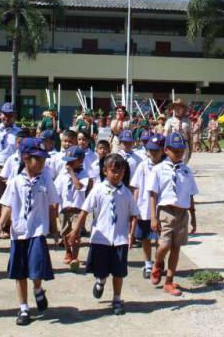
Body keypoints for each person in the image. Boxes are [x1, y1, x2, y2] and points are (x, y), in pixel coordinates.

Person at [0, 137, 61, 326]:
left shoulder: (46, 181)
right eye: (37, 159)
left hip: (37, 231)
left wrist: (54, 230)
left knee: (37, 269)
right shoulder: (15, 182)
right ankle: (23, 308)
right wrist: (0, 225)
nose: (41, 163)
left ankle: (37, 289)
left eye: (43, 159)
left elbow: (52, 206)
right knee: (20, 273)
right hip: (19, 232)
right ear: (25, 158)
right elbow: (8, 205)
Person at [69, 153, 140, 315]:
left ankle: (117, 298)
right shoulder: (98, 189)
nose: (117, 174)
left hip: (120, 239)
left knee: (118, 272)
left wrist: (131, 234)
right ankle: (100, 281)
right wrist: (75, 230)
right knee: (101, 269)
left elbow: (134, 214)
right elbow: (85, 210)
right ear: (105, 171)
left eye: (121, 171)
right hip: (101, 238)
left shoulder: (126, 193)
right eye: (114, 171)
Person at [149, 132, 199, 296]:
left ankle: (169, 281)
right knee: (164, 245)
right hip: (166, 211)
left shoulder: (186, 171)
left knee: (176, 248)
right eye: (175, 150)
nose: (179, 153)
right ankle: (158, 262)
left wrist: (193, 217)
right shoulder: (158, 169)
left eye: (181, 150)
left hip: (182, 213)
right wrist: (153, 217)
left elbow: (190, 195)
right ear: (166, 150)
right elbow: (153, 194)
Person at [130, 133, 165, 279]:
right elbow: (136, 187)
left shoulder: (166, 166)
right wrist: (134, 207)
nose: (152, 153)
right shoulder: (143, 165)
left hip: (161, 208)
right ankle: (148, 264)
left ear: (163, 150)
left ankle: (159, 261)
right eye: (150, 150)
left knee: (160, 238)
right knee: (145, 238)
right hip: (144, 208)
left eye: (156, 150)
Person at [54, 145, 92, 271]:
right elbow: (57, 190)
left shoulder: (84, 174)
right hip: (64, 209)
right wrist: (55, 207)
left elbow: (79, 186)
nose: (68, 164)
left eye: (72, 161)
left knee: (75, 234)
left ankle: (75, 257)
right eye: (67, 161)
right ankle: (68, 252)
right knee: (65, 233)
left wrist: (71, 173)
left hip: (77, 209)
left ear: (80, 160)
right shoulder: (62, 174)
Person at [0, 102, 21, 236]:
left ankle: (5, 226)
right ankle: (2, 224)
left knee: (11, 200)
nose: (7, 117)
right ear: (0, 115)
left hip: (13, 169)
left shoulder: (19, 133)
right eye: (4, 114)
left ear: (15, 116)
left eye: (10, 115)